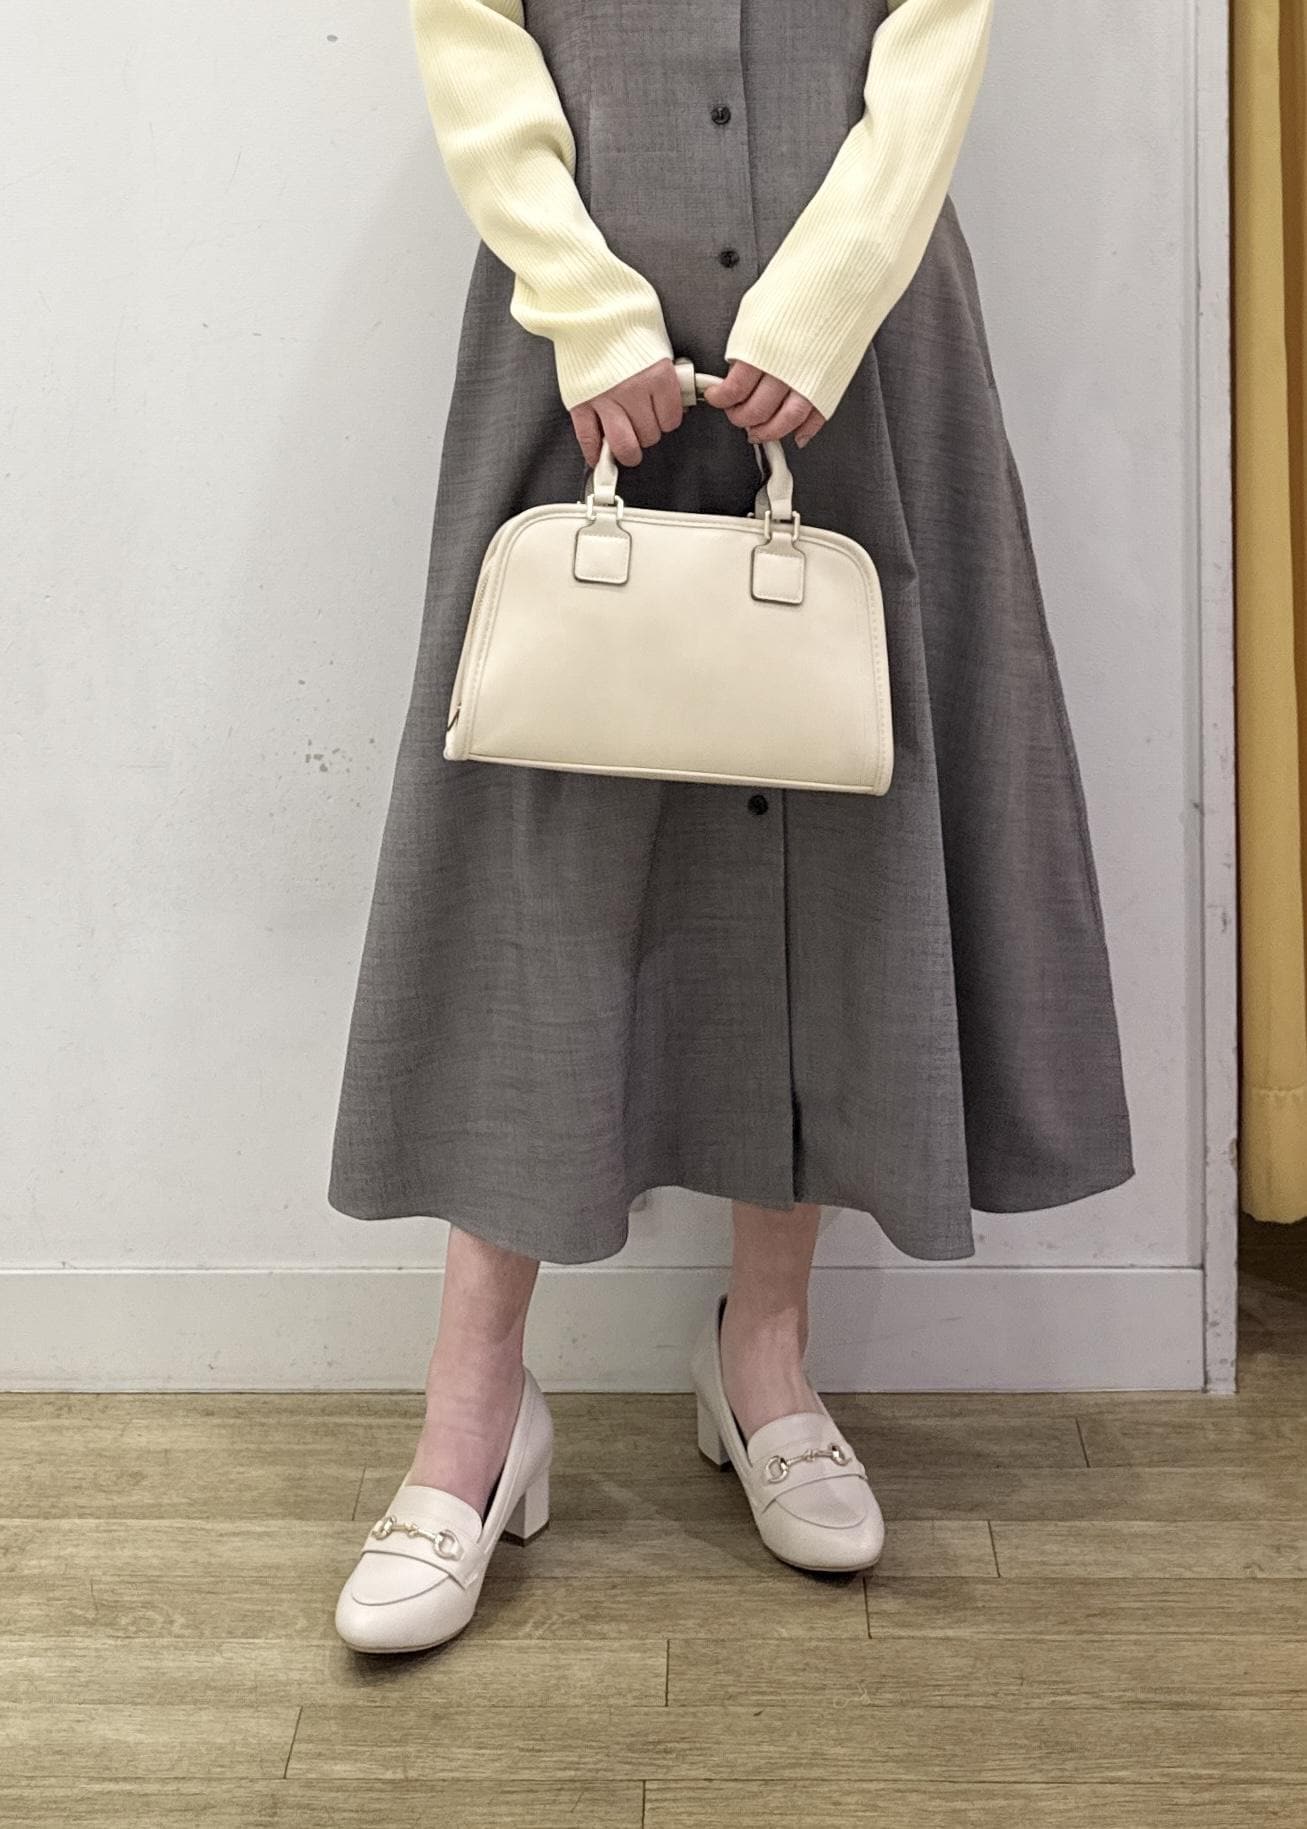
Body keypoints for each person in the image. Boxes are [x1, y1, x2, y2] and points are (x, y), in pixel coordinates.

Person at [329, 0, 1135, 1654]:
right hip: (576, 344)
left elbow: (936, 31)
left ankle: (764, 1352)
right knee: (542, 844)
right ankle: (475, 1410)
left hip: (859, 339)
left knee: (834, 818)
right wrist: (583, 300)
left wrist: (831, 295)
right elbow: (469, 28)